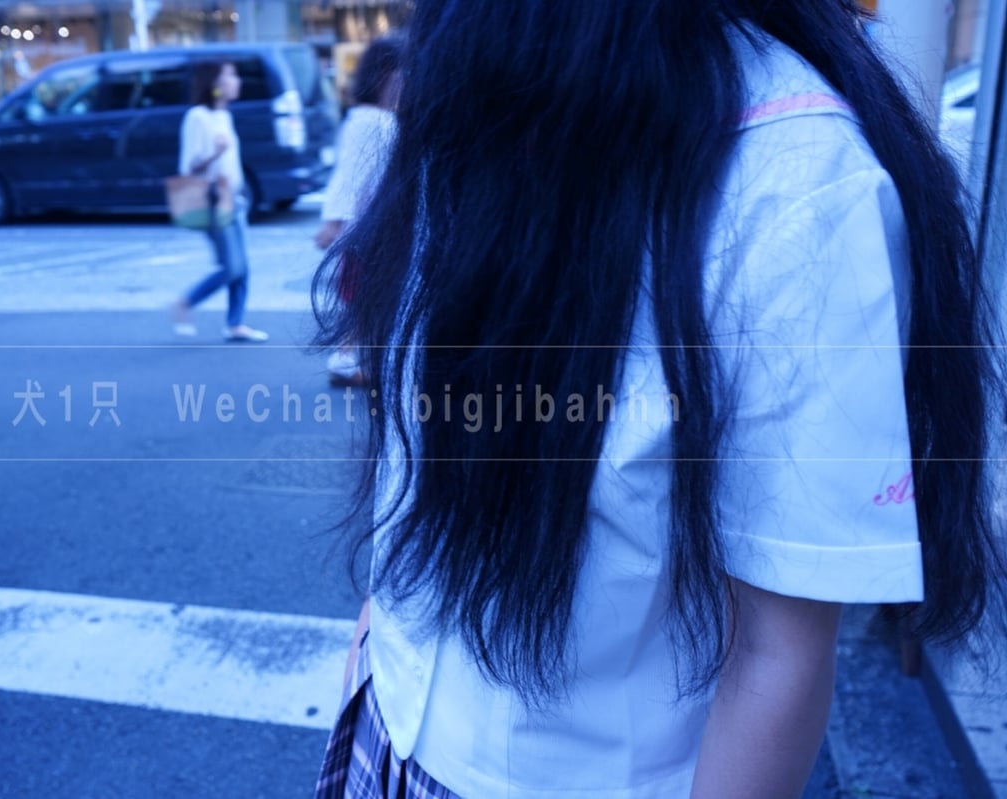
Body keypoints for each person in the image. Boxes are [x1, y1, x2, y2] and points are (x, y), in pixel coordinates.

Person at [313, 2, 1007, 798]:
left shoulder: (792, 175)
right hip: (385, 718)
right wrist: (366, 663)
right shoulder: (478, 83)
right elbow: (419, 455)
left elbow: (778, 650)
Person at [315, 37, 403, 386]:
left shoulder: (372, 118)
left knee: (368, 297)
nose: (406, 81)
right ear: (384, 75)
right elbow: (350, 175)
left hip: (372, 228)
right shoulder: (372, 121)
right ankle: (349, 360)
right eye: (401, 73)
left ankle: (349, 359)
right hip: (368, 230)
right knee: (369, 296)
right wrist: (334, 221)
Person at [172, 61, 268, 343]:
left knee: (242, 267)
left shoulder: (223, 115)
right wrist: (216, 152)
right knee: (233, 266)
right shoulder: (197, 117)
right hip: (212, 200)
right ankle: (185, 302)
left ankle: (235, 324)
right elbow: (188, 168)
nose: (237, 81)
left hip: (234, 199)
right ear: (214, 83)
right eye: (230, 75)